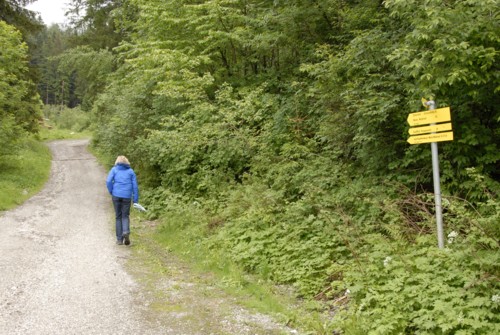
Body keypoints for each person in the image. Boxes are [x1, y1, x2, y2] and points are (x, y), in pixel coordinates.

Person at [106, 155, 139, 245]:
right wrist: (135, 199)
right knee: (125, 216)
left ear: (117, 162)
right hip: (127, 196)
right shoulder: (130, 171)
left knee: (118, 216)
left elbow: (108, 181)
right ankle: (126, 231)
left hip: (116, 195)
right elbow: (135, 186)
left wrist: (111, 191)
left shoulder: (114, 170)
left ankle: (119, 240)